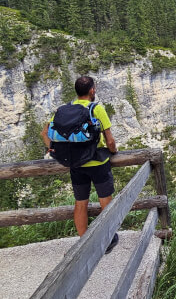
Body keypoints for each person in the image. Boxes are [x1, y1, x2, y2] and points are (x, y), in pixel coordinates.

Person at [42, 76, 120, 253]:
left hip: (75, 164)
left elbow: (44, 133)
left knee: (80, 202)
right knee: (106, 202)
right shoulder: (97, 109)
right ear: (92, 90)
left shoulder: (63, 109)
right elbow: (110, 140)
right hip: (98, 163)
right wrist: (113, 152)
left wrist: (53, 150)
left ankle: (84, 242)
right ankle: (107, 239)